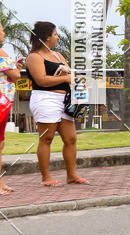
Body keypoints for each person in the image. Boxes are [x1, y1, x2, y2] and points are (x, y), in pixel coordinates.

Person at [25, 21, 89, 187]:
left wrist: (71, 77)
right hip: (45, 99)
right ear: (47, 37)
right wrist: (65, 77)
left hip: (64, 100)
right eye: (55, 34)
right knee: (47, 138)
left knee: (71, 138)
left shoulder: (58, 56)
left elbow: (71, 72)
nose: (57, 37)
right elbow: (41, 80)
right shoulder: (34, 57)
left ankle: (72, 175)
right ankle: (46, 177)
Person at [0, 22, 23, 195]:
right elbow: (15, 75)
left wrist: (15, 68)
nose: (4, 32)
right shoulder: (1, 53)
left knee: (1, 144)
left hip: (4, 102)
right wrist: (16, 68)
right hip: (2, 102)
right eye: (1, 29)